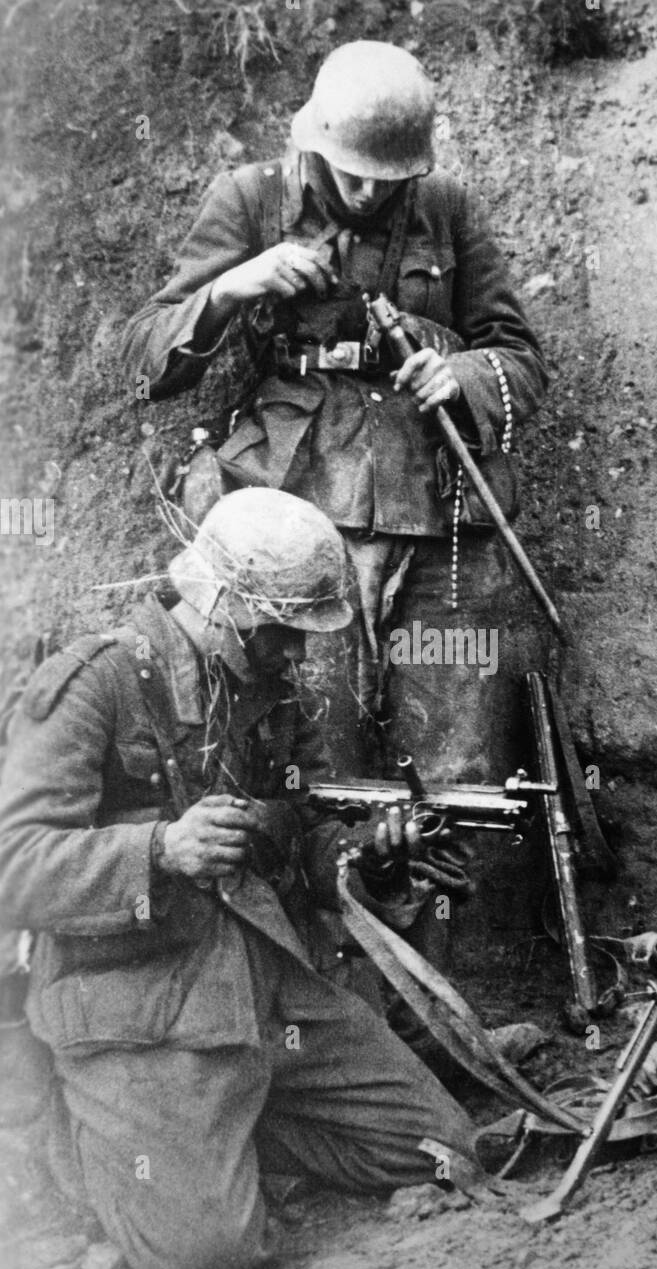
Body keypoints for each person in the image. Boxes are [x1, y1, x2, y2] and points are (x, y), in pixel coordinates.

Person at [0, 488, 484, 1269]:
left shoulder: (267, 692)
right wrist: (159, 849)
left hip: (261, 984)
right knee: (203, 1262)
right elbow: (12, 864)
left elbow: (300, 831)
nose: (296, 652)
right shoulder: (94, 684)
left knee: (438, 1151)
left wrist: (371, 854)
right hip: (140, 1000)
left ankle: (216, 1144)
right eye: (282, 631)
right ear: (223, 606)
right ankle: (85, 1156)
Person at [121, 39, 549, 784]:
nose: (364, 194)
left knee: (458, 749)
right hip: (296, 509)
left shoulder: (445, 206)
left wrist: (459, 376)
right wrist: (234, 287)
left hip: (441, 513)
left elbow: (518, 354)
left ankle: (444, 892)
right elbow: (145, 357)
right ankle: (327, 885)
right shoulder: (251, 198)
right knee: (319, 742)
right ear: (316, 142)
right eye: (351, 173)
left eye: (385, 180)